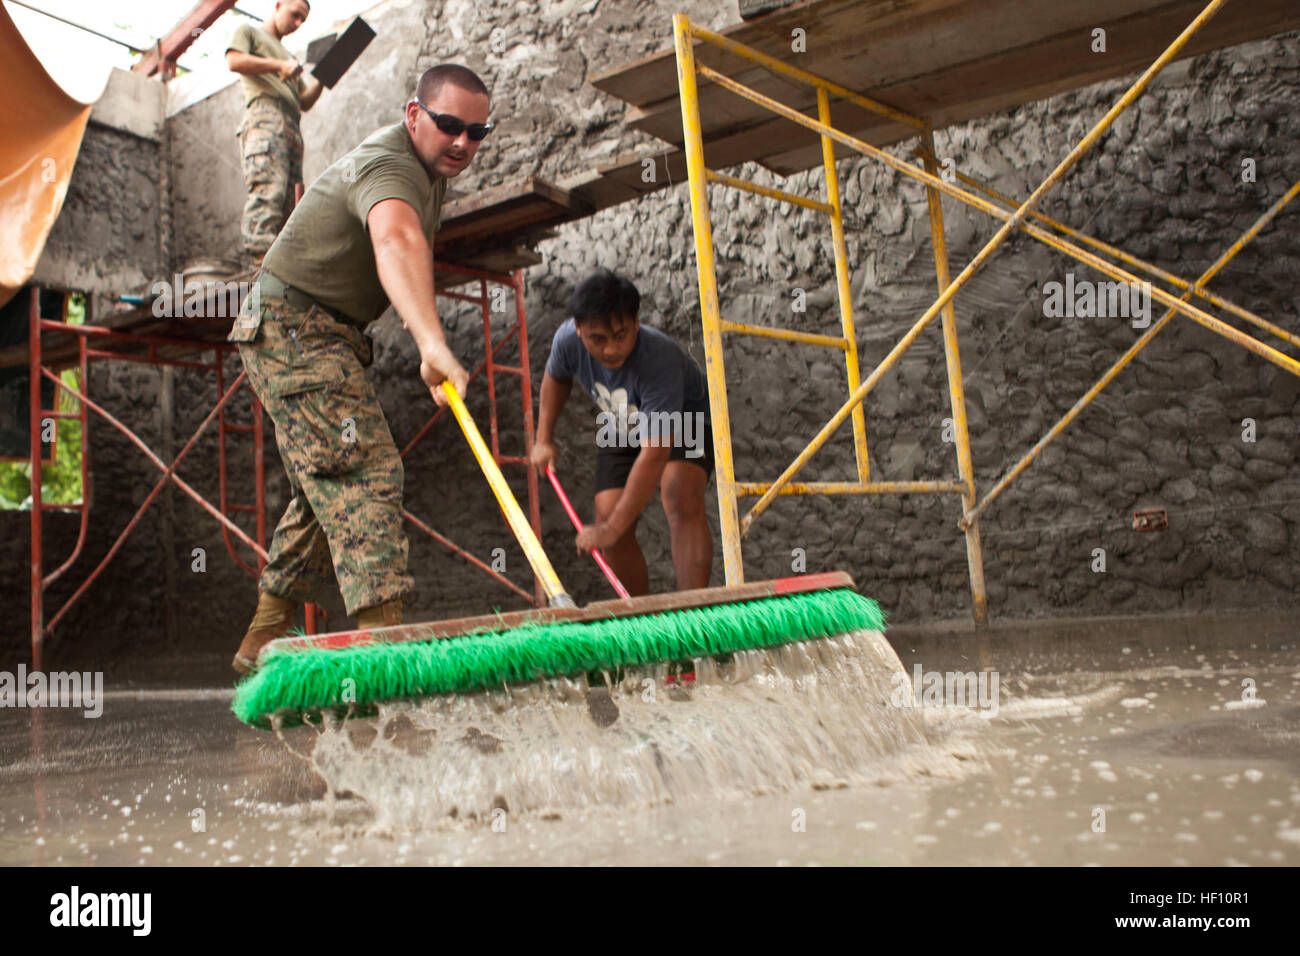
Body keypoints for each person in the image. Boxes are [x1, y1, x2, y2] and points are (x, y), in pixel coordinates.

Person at [228, 64, 494, 674]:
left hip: (323, 333)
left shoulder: (431, 172)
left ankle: (263, 639)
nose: (462, 142)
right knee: (365, 470)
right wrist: (431, 344)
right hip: (293, 327)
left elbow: (407, 256)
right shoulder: (391, 164)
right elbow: (396, 243)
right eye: (448, 125)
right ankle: (383, 656)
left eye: (477, 133)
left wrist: (419, 329)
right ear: (413, 116)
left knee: (327, 487)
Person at [530, 271, 714, 596]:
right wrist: (544, 438)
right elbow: (555, 378)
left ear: (636, 322)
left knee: (678, 493)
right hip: (621, 420)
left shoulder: (660, 359)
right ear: (578, 329)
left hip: (684, 416)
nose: (611, 349)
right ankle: (640, 618)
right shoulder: (567, 342)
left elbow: (656, 451)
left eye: (621, 335)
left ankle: (693, 612)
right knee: (607, 513)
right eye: (597, 339)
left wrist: (611, 530)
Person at [226, 1, 324, 267]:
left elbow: (304, 100)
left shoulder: (287, 55)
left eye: (302, 21)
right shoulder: (249, 32)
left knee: (290, 202)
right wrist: (278, 66)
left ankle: (282, 262)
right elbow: (233, 61)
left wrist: (325, 76)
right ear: (279, 4)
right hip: (265, 116)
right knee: (269, 187)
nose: (297, 24)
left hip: (292, 124)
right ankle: (261, 256)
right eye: (295, 16)